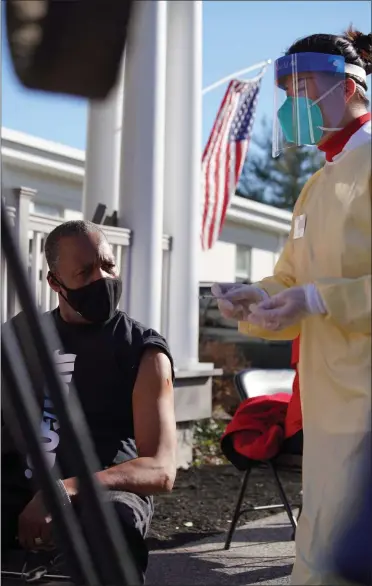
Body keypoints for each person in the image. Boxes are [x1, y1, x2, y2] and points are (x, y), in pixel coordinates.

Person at [212, 28, 371, 585]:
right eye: (285, 92)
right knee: (320, 553)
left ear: (349, 84)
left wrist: (320, 298)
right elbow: (290, 279)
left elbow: (315, 292)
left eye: (302, 86)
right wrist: (256, 300)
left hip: (367, 406)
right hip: (327, 409)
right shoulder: (314, 185)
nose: (290, 104)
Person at [1, 220, 177, 583]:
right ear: (55, 283)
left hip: (103, 493)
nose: (103, 279)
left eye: (108, 266)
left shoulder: (141, 350)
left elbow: (161, 469)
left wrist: (63, 489)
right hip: (19, 486)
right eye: (85, 272)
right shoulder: (19, 337)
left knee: (111, 534)